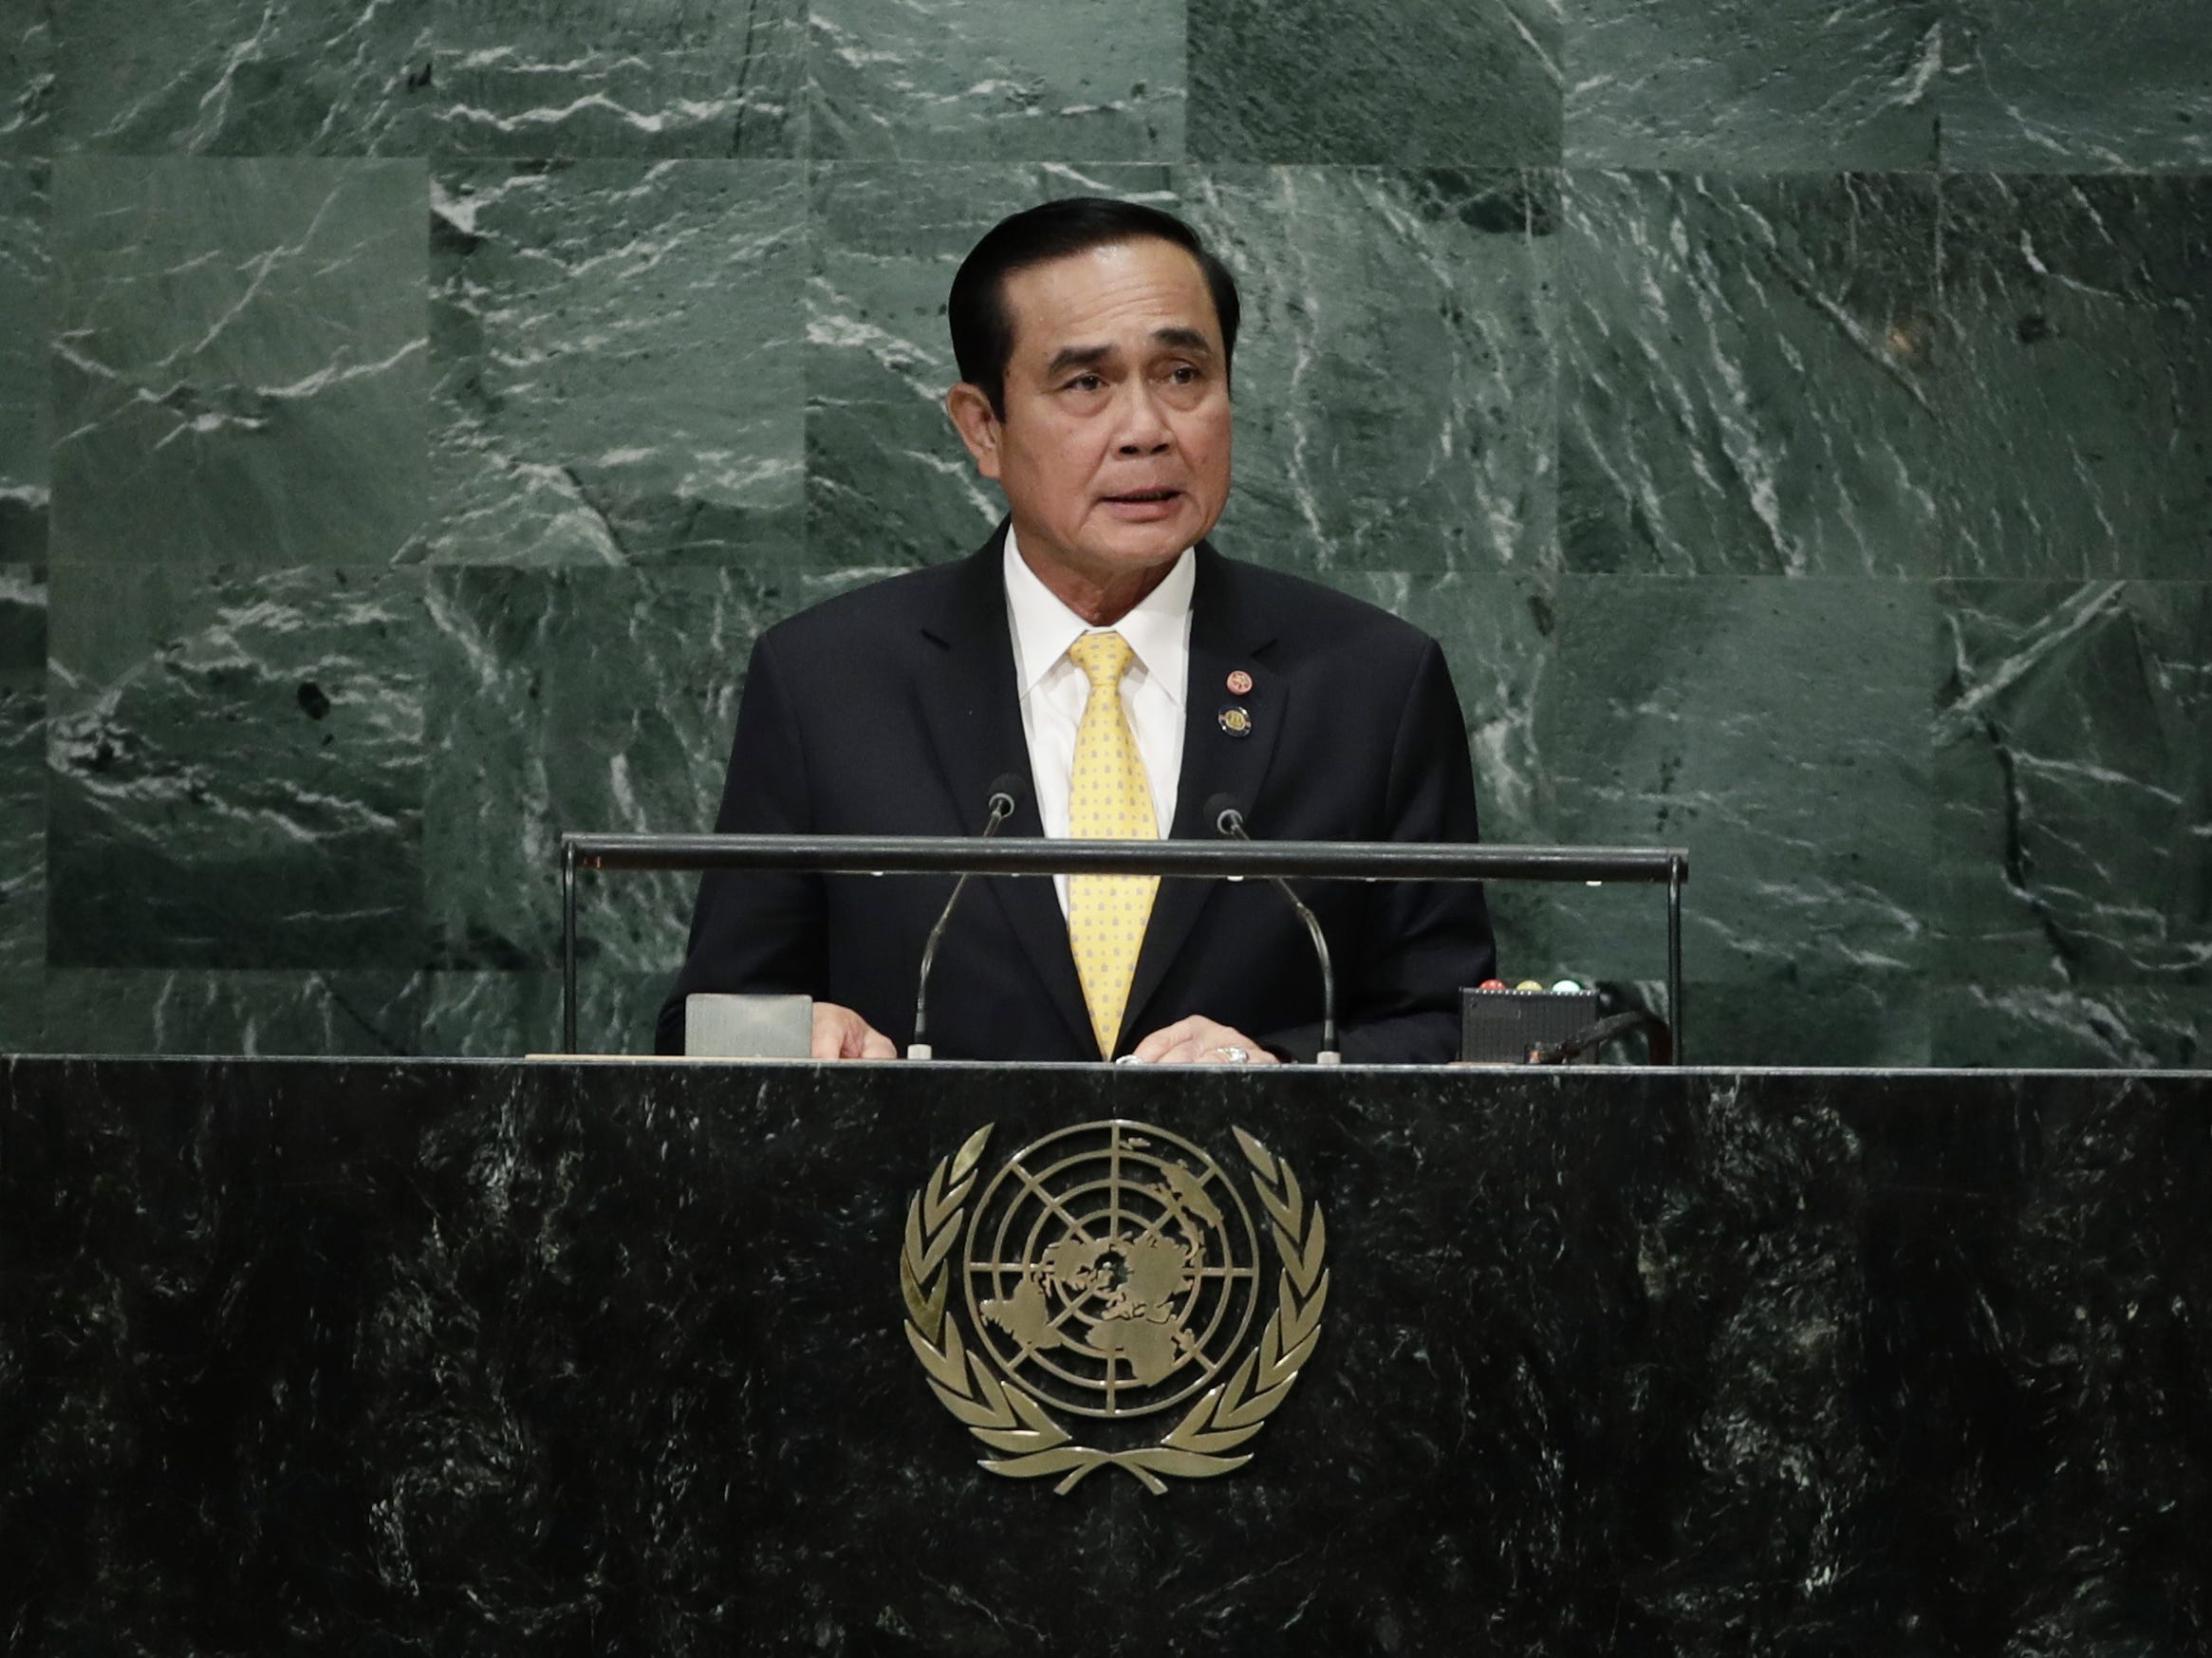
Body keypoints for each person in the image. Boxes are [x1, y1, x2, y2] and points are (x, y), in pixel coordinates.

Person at [655, 197, 1495, 1064]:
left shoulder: (1369, 684)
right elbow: (706, 1022)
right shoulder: (828, 681)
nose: (1146, 430)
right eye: (1086, 384)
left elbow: (1453, 1025)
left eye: (1181, 375)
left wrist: (1273, 1067)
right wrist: (790, 1034)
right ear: (983, 427)